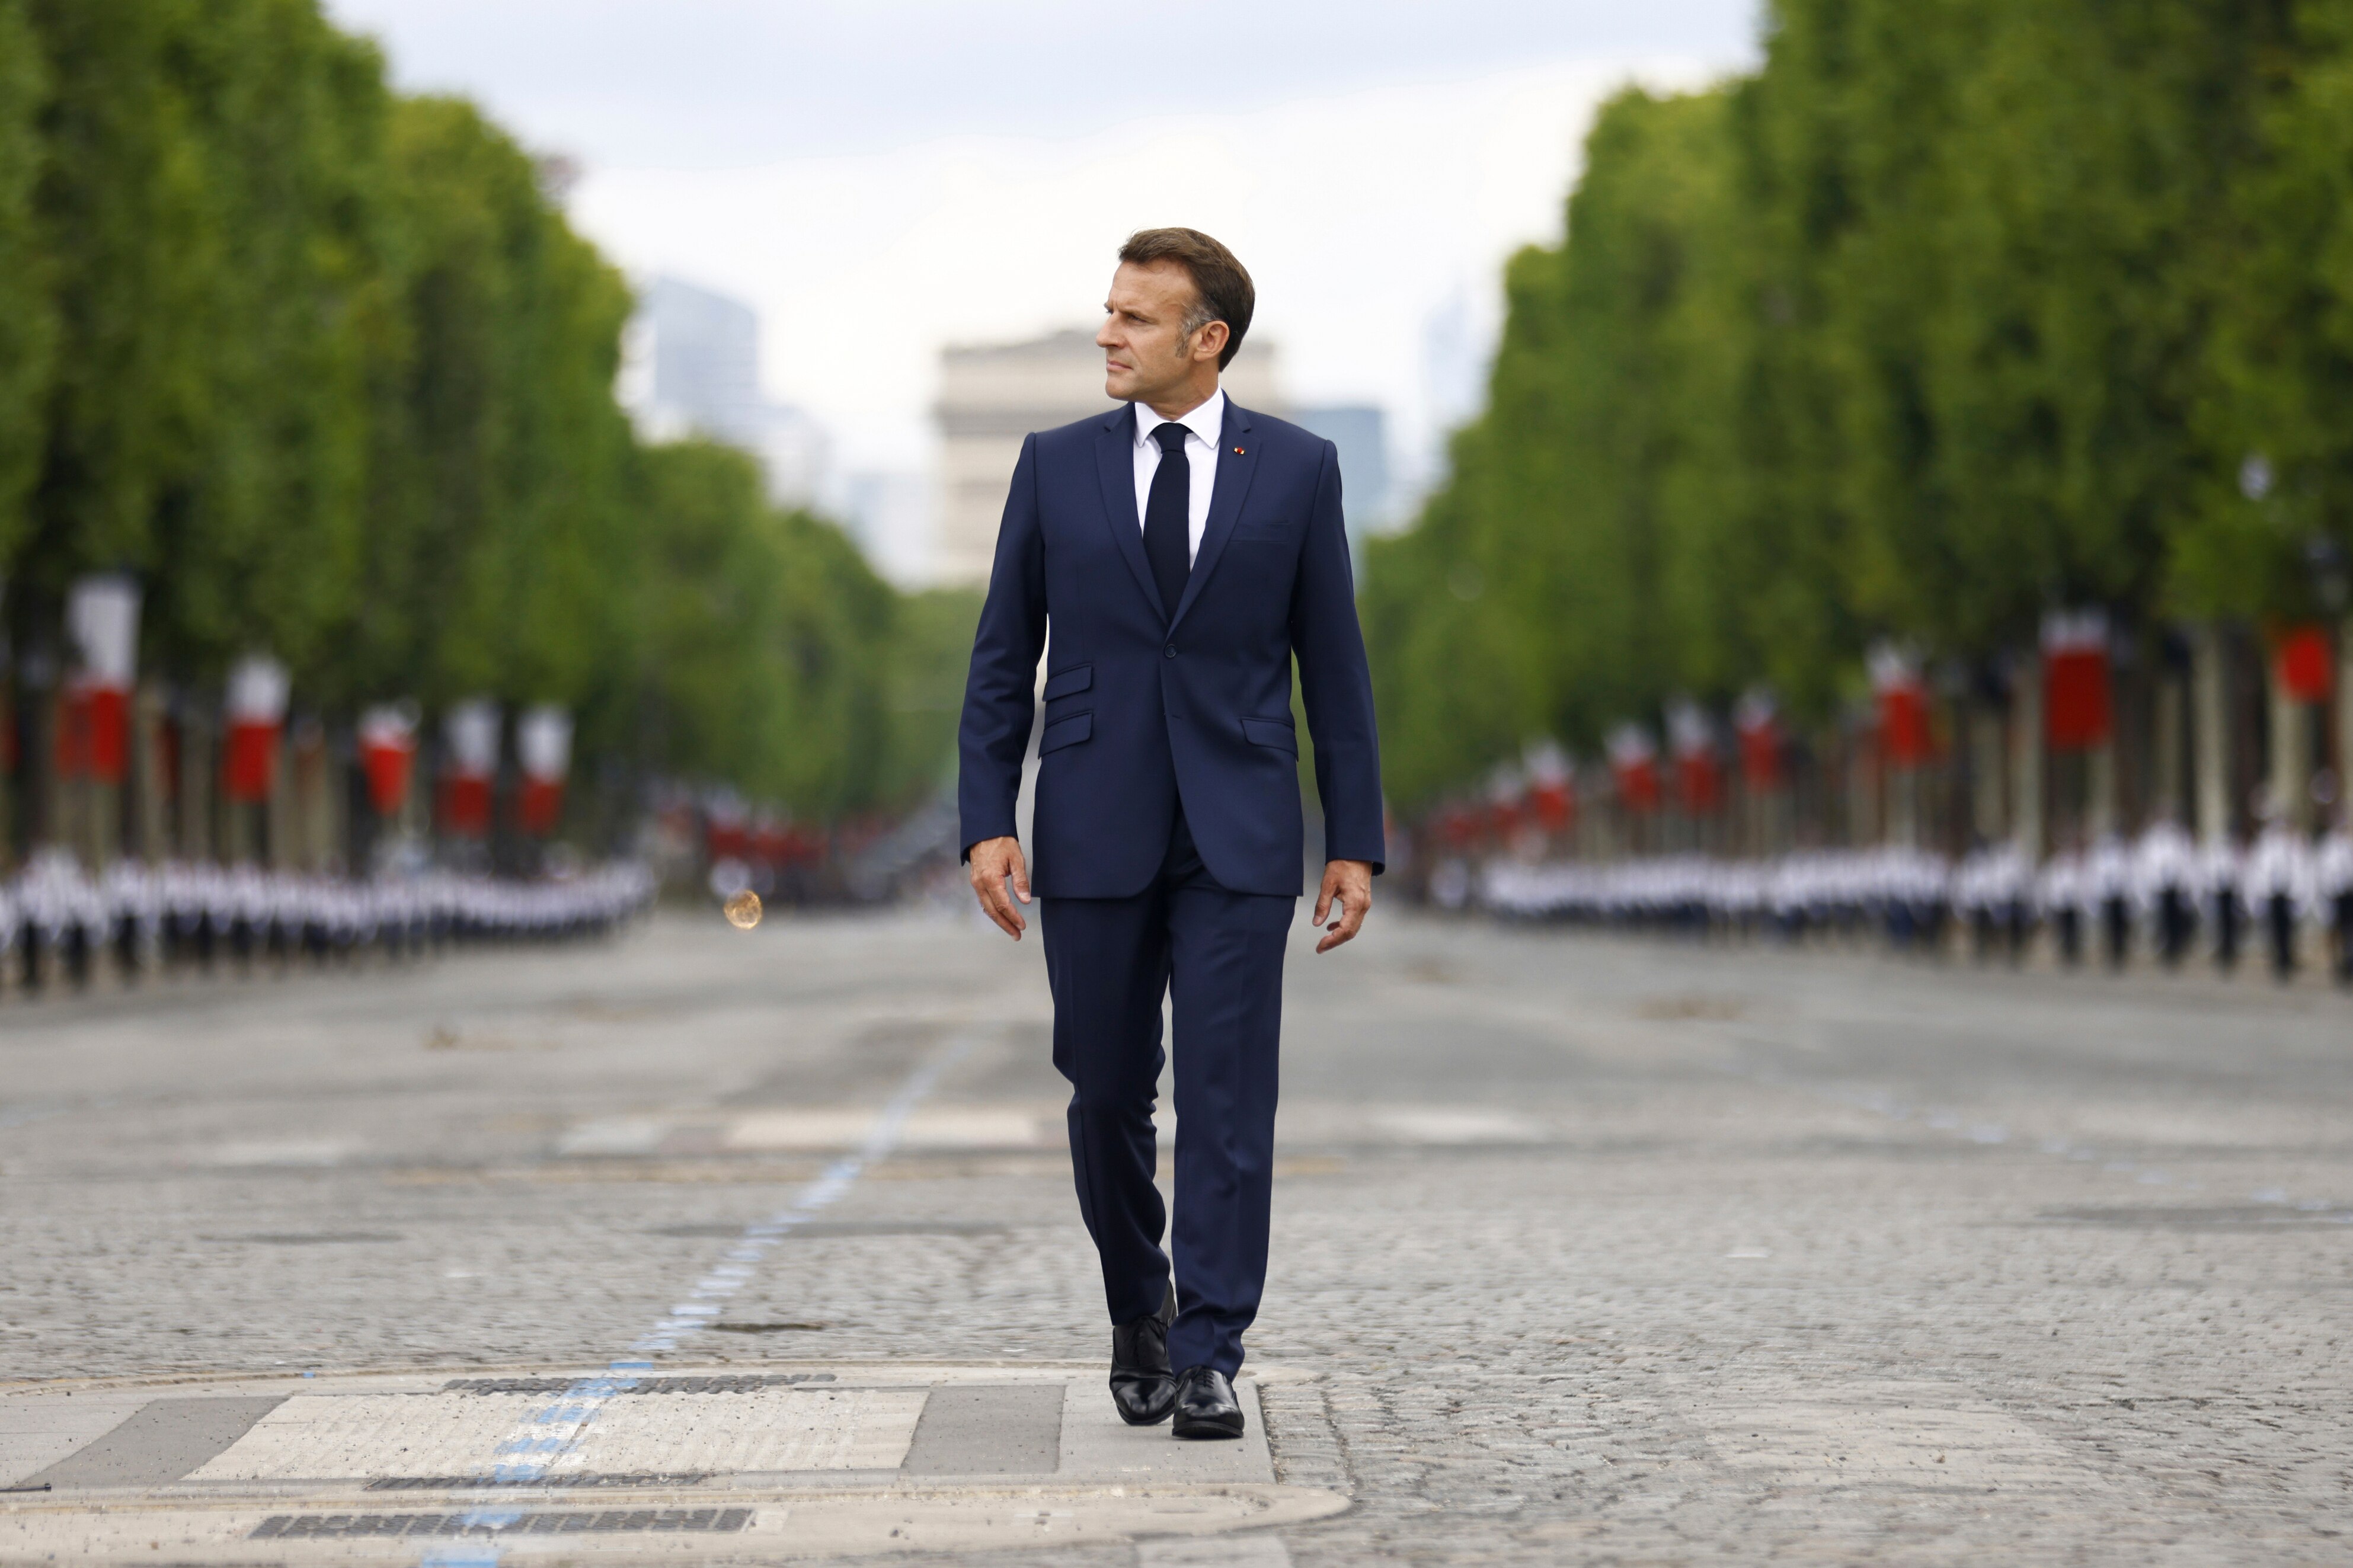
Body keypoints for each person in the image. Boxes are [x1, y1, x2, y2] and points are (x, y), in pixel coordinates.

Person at [957, 229, 1384, 1441]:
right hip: (1091, 818)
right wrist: (985, 817)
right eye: (1107, 312)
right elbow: (1002, 659)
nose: (1107, 334)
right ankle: (1136, 1306)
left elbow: (1333, 666)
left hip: (1241, 826)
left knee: (1227, 1096)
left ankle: (1209, 1347)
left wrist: (1351, 836)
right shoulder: (1050, 465)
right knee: (1101, 1095)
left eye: (1135, 319)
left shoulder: (1296, 469)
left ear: (1208, 340)